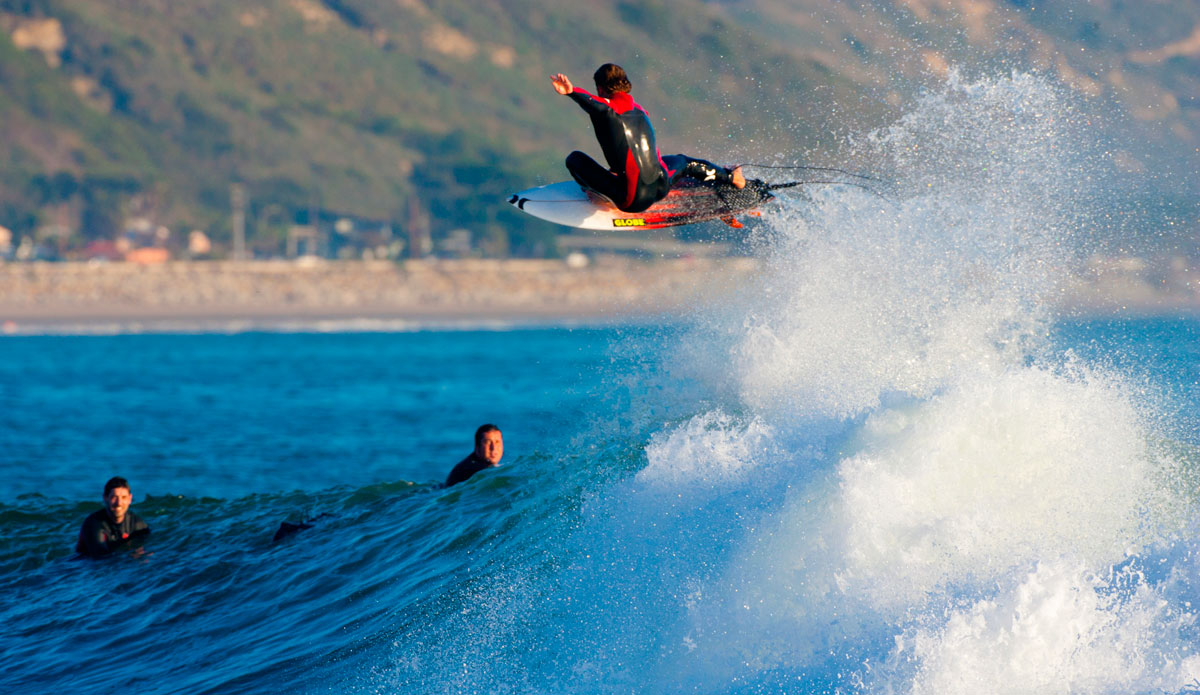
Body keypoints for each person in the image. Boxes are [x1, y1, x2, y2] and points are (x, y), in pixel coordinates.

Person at [551, 63, 746, 214]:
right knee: (684, 163)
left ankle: (602, 199)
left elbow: (595, 104)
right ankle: (731, 177)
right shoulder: (640, 111)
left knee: (574, 159)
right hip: (661, 185)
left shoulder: (608, 109)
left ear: (600, 89)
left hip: (632, 199)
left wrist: (572, 92)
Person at [76, 476, 151, 557]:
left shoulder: (137, 523)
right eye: (114, 497)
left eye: (124, 497)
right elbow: (100, 558)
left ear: (130, 499)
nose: (119, 503)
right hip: (84, 563)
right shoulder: (93, 524)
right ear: (105, 498)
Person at [443, 424, 504, 488]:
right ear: (477, 446)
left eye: (497, 442)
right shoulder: (473, 469)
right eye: (488, 442)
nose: (493, 448)